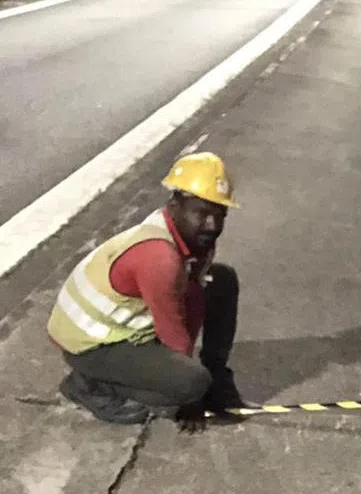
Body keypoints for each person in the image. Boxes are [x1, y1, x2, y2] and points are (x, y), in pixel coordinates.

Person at [46, 151, 248, 432]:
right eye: (201, 213)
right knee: (189, 383)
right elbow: (174, 332)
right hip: (90, 344)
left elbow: (192, 298)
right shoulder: (159, 257)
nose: (212, 225)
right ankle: (89, 385)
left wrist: (206, 377)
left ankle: (217, 374)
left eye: (219, 215)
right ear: (175, 204)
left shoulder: (194, 241)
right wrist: (191, 396)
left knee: (221, 280)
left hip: (124, 327)